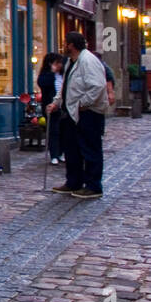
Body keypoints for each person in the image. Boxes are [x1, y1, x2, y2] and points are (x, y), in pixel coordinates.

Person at [47, 31, 109, 199]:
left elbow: (97, 86)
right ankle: (73, 182)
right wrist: (57, 102)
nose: (63, 45)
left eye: (65, 43)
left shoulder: (88, 61)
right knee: (72, 149)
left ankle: (93, 186)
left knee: (90, 149)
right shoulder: (71, 62)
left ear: (71, 45)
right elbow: (67, 86)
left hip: (87, 113)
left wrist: (82, 104)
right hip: (72, 112)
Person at [36, 52, 64, 165]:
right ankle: (54, 155)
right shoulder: (46, 75)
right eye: (57, 63)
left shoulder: (63, 75)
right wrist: (52, 72)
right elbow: (43, 84)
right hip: (50, 106)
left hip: (63, 106)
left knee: (63, 131)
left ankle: (61, 152)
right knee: (53, 131)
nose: (60, 65)